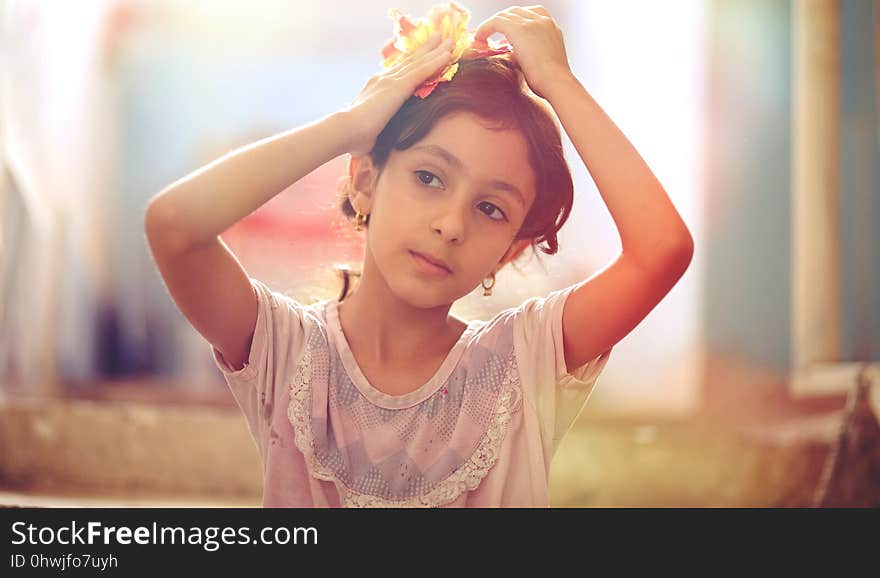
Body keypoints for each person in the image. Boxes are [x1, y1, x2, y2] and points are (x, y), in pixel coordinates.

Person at [144, 3, 693, 507]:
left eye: (491, 209)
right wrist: (352, 126)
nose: (451, 224)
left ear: (510, 251)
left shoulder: (525, 360)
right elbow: (174, 227)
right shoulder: (285, 352)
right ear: (364, 181)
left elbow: (662, 249)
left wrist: (557, 81)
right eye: (429, 177)